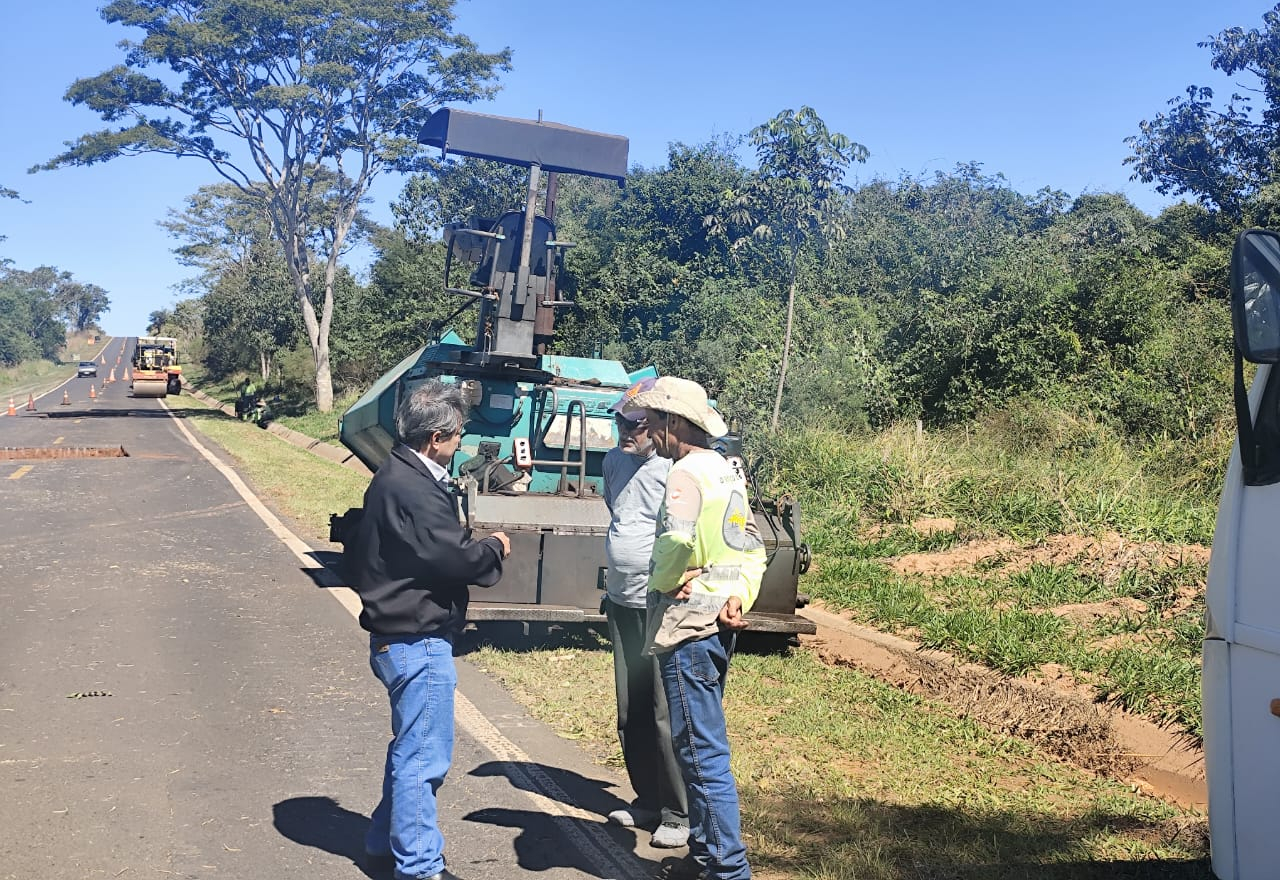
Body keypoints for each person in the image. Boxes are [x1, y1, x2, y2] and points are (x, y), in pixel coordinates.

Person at [347, 380, 512, 880]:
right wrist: (494, 548)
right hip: (416, 639)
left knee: (409, 748)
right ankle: (419, 868)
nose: (461, 441)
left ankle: (383, 844)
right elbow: (451, 558)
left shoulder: (398, 474)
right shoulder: (415, 488)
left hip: (398, 635)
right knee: (423, 757)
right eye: (458, 433)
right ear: (435, 437)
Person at [629, 376, 767, 880]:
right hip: (718, 619)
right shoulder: (729, 472)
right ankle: (705, 856)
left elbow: (675, 542)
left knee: (700, 752)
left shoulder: (685, 474)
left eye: (653, 420)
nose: (647, 429)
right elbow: (747, 545)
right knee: (699, 745)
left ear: (676, 422)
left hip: (688, 627)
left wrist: (664, 580)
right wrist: (737, 596)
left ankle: (727, 869)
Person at [601, 377, 690, 849]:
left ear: (658, 425)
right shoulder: (613, 461)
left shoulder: (674, 470)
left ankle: (678, 812)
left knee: (662, 710)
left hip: (659, 604)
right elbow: (617, 512)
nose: (627, 432)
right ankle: (649, 800)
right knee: (631, 707)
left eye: (637, 424)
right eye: (621, 421)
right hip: (621, 600)